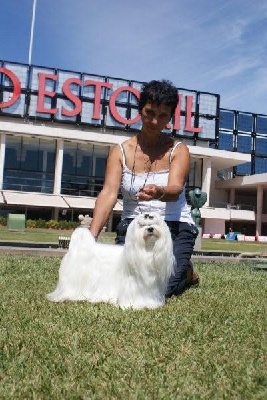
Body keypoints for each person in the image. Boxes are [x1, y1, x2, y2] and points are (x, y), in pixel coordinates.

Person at [89, 80, 199, 297]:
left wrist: (159, 192)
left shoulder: (178, 149)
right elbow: (109, 193)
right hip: (134, 224)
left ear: (170, 117)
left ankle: (186, 272)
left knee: (161, 288)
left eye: (163, 115)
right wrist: (91, 236)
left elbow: (176, 188)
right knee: (125, 284)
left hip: (173, 225)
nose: (155, 120)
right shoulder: (120, 151)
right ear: (140, 110)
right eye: (149, 112)